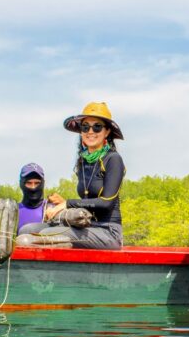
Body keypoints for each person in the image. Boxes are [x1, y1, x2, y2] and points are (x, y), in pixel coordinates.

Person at [18, 102, 126, 249]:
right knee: (27, 230)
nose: (90, 131)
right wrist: (64, 207)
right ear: (81, 131)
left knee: (49, 233)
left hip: (107, 231)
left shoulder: (113, 159)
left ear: (106, 131)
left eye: (97, 127)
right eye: (85, 127)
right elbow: (87, 201)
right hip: (85, 225)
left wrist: (68, 203)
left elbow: (106, 203)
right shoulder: (83, 162)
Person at [15, 162, 54, 232]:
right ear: (21, 184)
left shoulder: (52, 209)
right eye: (29, 183)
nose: (33, 187)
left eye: (37, 183)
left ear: (43, 183)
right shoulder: (14, 211)